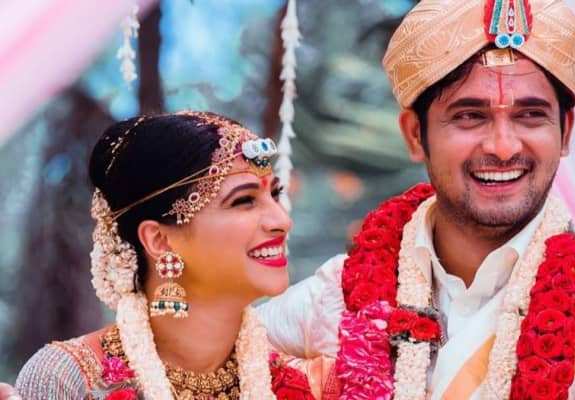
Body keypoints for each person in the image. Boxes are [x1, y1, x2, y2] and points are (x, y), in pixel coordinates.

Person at [255, 0, 575, 398]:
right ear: (415, 135)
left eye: (530, 116)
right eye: (470, 116)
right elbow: (219, 362)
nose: (503, 146)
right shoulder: (336, 295)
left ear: (566, 131)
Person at [12, 111, 337, 399]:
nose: (282, 220)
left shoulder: (306, 386)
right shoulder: (69, 380)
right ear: (160, 240)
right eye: (244, 201)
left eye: (275, 194)